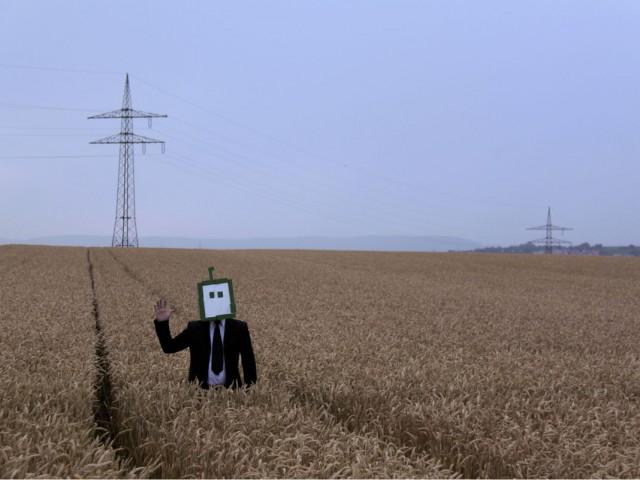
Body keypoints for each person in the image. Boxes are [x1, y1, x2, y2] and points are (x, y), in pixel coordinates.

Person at [153, 299, 257, 389]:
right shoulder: (194, 328)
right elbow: (169, 347)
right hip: (199, 394)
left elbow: (248, 360)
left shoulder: (239, 328)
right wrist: (162, 323)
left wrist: (247, 391)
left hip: (232, 392)